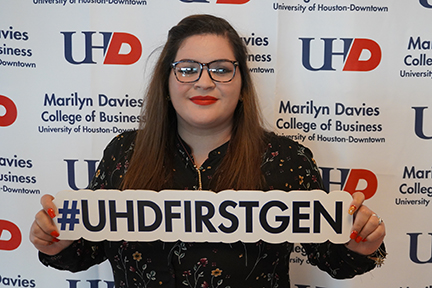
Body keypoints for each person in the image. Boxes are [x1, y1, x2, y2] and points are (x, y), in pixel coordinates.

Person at [30, 14, 386, 288]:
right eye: (186, 69)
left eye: (221, 69)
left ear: (242, 84)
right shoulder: (123, 153)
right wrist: (54, 242)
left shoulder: (286, 159)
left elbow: (333, 259)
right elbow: (84, 251)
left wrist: (361, 242)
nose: (204, 81)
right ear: (166, 83)